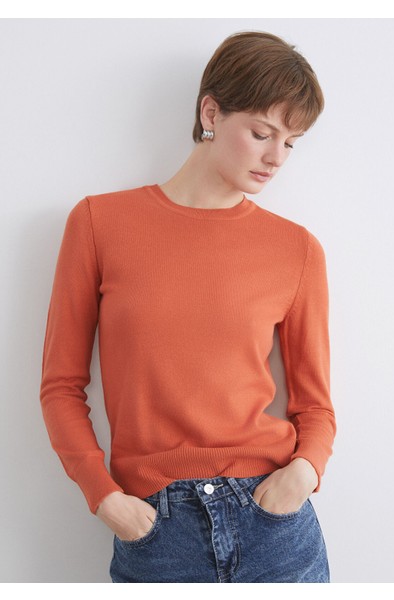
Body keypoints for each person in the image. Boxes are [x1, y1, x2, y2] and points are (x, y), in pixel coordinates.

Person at [39, 30, 336, 583]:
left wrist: (303, 473)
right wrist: (104, 497)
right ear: (211, 112)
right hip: (157, 531)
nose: (276, 158)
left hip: (273, 527)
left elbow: (316, 407)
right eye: (262, 133)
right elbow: (60, 385)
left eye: (291, 143)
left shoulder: (296, 250)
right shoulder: (100, 224)